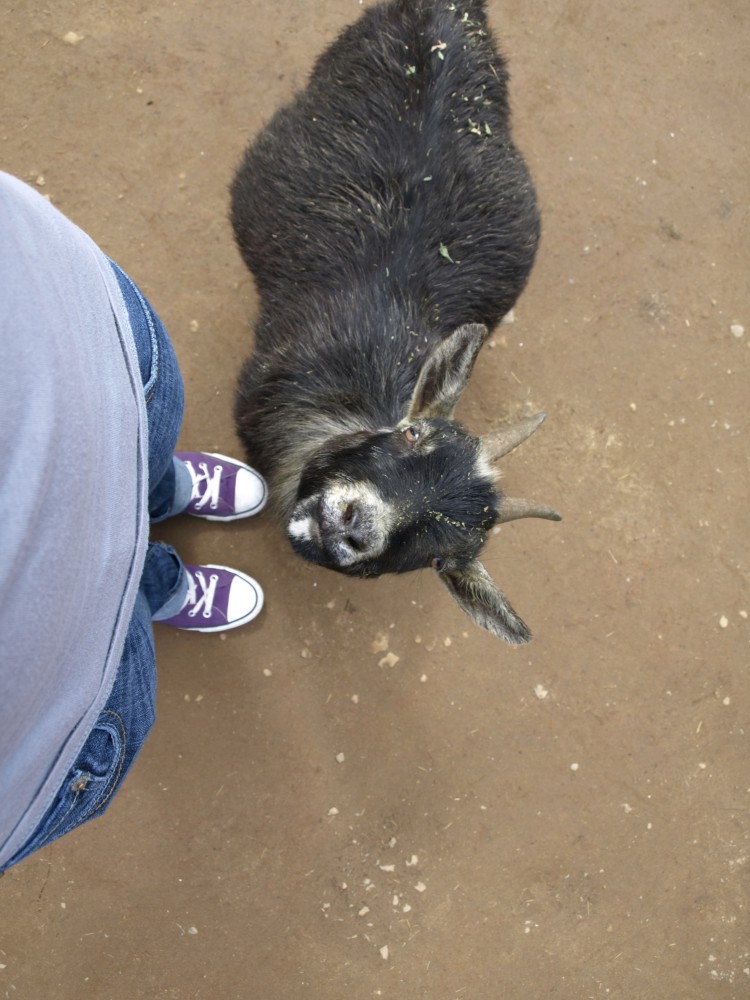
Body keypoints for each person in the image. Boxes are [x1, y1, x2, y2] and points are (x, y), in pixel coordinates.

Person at [0, 171, 266, 873]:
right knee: (109, 629)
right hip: (53, 694)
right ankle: (156, 586)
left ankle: (160, 489)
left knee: (126, 452)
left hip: (77, 343)